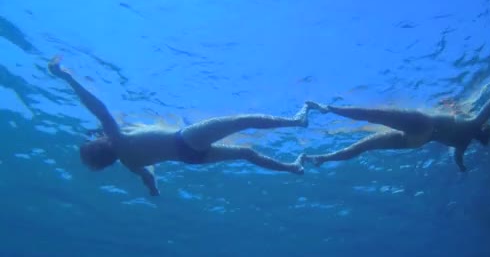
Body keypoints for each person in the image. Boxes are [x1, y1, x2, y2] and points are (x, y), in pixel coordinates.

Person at [48, 56, 310, 196]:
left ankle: (292, 167)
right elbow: (99, 109)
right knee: (242, 120)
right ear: (99, 145)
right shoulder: (118, 139)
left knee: (246, 153)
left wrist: (154, 191)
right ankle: (297, 121)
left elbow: (149, 177)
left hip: (190, 158)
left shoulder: (128, 162)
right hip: (184, 140)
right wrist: (66, 77)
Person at [304, 65, 490, 172]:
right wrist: (462, 168)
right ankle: (322, 158)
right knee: (366, 146)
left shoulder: (476, 121)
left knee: (373, 115)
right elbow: (458, 160)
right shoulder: (464, 142)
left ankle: (327, 108)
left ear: (485, 126)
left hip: (424, 124)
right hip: (417, 142)